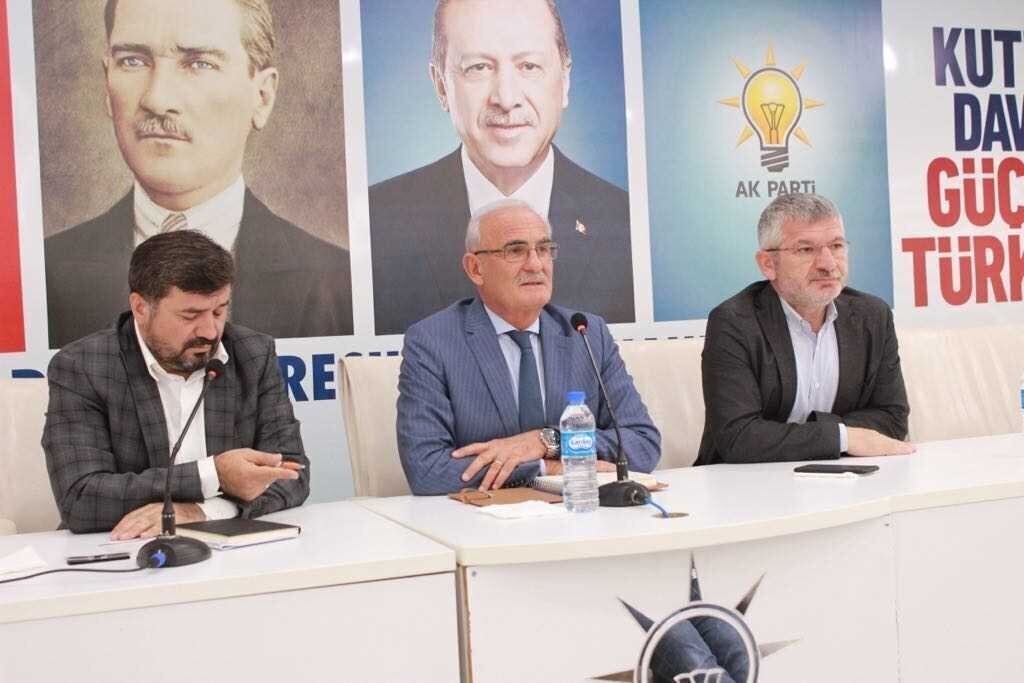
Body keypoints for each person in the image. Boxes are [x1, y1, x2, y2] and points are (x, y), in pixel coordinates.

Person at [44, 0, 352, 348]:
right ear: (106, 82)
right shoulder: (44, 274)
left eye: (199, 63)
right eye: (133, 61)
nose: (157, 99)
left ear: (262, 96)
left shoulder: (338, 282)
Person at [368, 0, 634, 335]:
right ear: (441, 85)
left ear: (565, 80)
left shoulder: (628, 223)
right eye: (479, 67)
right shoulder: (375, 223)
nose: (506, 99)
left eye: (529, 66)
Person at [42, 229, 310, 537]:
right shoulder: (84, 366)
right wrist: (214, 474)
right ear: (141, 308)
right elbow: (80, 498)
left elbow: (292, 474)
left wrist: (203, 513)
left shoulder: (252, 354)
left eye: (219, 311)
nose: (210, 331)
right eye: (190, 315)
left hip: (231, 547)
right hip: (125, 547)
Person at [397, 199, 658, 495]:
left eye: (544, 249)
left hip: (582, 513)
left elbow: (642, 443)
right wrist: (545, 468)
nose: (535, 264)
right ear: (475, 268)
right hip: (482, 518)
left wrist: (546, 441)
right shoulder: (433, 341)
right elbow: (426, 470)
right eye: (515, 250)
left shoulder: (586, 332)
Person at [697, 193, 914, 465]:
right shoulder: (734, 322)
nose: (828, 264)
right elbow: (739, 437)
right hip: (747, 482)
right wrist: (844, 438)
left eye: (836, 246)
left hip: (845, 475)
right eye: (806, 250)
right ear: (768, 264)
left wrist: (800, 434)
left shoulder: (872, 316)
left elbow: (893, 418)